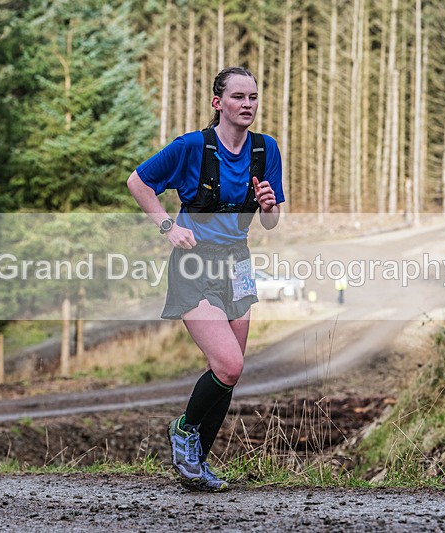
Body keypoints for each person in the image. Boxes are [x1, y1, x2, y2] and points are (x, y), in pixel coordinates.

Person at [126, 66, 284, 491]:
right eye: (237, 97)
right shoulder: (192, 147)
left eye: (252, 96)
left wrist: (269, 206)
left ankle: (197, 465)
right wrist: (167, 227)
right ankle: (183, 429)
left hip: (239, 264)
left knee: (229, 373)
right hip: (195, 263)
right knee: (228, 364)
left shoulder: (266, 151)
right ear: (218, 103)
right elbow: (138, 182)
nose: (247, 104)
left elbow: (269, 223)